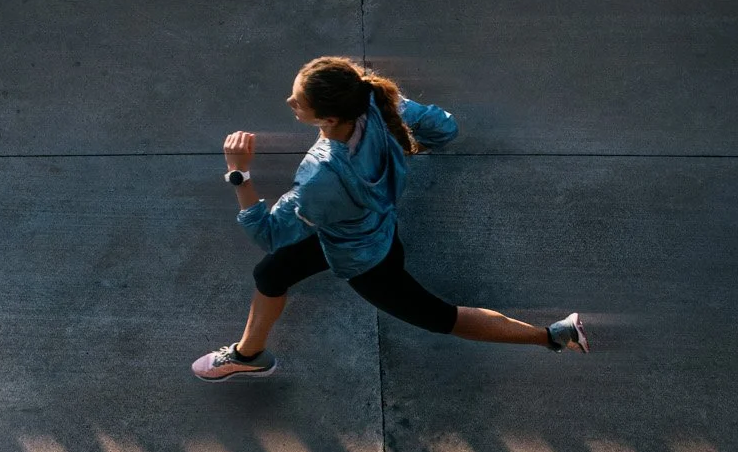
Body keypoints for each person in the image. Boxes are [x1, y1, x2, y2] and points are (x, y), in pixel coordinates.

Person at [193, 56, 588, 381]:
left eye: (298, 102)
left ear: (328, 119)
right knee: (270, 274)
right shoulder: (376, 102)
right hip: (363, 224)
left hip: (363, 256)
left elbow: (268, 232)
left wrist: (239, 173)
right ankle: (250, 355)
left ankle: (554, 337)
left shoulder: (322, 176)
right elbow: (442, 127)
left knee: (438, 316)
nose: (290, 104)